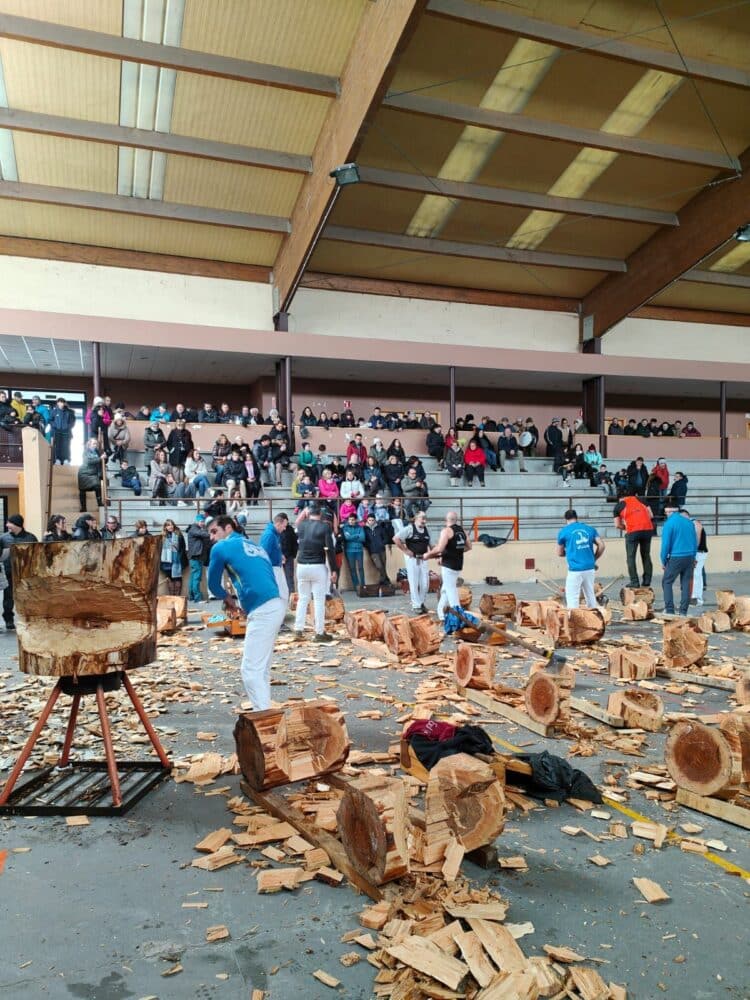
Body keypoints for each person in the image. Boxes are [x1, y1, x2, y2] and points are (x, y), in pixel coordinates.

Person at [207, 516, 284, 708]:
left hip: (262, 607)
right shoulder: (254, 545)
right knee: (261, 669)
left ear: (228, 528)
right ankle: (266, 714)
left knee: (250, 670)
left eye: (214, 531)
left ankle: (263, 718)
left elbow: (212, 585)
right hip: (276, 602)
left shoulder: (221, 548)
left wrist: (227, 599)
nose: (211, 537)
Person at [294, 503, 338, 641]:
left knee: (303, 599)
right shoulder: (324, 527)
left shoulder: (301, 526)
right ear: (320, 514)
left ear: (308, 513)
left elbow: (297, 523)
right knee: (319, 600)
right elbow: (330, 550)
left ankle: (298, 629)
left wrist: (303, 513)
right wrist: (334, 569)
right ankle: (319, 632)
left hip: (301, 565)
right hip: (317, 565)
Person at [425, 512, 471, 622]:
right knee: (446, 587)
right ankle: (440, 612)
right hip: (458, 564)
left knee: (451, 590)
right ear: (456, 520)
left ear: (446, 520)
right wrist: (456, 551)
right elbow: (469, 547)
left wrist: (428, 554)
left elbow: (440, 549)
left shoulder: (446, 531)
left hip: (448, 565)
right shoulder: (462, 531)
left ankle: (458, 616)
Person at [556, 509, 605, 610]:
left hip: (575, 569)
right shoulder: (589, 529)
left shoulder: (564, 532)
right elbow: (602, 545)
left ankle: (574, 620)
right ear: (576, 518)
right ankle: (595, 618)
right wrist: (593, 559)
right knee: (590, 594)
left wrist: (569, 552)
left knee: (572, 596)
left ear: (566, 519)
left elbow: (559, 552)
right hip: (589, 568)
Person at [0, 515, 38, 630]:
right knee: (8, 597)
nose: (7, 525)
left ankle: (28, 617)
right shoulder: (3, 538)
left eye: (9, 523)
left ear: (17, 524)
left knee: (27, 596)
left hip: (26, 572)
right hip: (9, 571)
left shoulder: (31, 538)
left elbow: (36, 555)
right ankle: (9, 619)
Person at [661, 499, 697, 616]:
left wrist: (663, 560)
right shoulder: (689, 522)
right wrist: (694, 556)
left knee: (667, 581)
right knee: (686, 582)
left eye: (666, 513)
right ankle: (683, 611)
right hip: (690, 556)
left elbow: (666, 545)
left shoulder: (669, 523)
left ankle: (670, 610)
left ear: (669, 512)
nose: (666, 515)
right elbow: (694, 541)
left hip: (676, 557)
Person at [613, 490, 654, 588]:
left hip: (632, 532)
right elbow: (651, 515)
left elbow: (617, 525)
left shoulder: (619, 506)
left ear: (620, 499)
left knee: (631, 557)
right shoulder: (642, 500)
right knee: (646, 555)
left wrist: (626, 527)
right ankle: (647, 580)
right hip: (647, 529)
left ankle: (634, 582)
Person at [394, 511, 431, 614]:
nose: (424, 520)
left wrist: (434, 554)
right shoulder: (410, 529)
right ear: (416, 518)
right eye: (422, 518)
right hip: (412, 559)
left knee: (425, 583)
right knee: (414, 582)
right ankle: (416, 605)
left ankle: (422, 603)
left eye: (425, 518)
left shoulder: (427, 530)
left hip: (423, 558)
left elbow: (431, 545)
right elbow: (396, 538)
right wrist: (405, 550)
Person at [260, 514, 290, 603]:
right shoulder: (269, 535)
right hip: (272, 568)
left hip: (276, 566)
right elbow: (263, 554)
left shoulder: (274, 534)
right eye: (284, 526)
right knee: (282, 593)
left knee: (283, 592)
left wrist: (280, 555)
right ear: (278, 524)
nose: (285, 529)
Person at [684, 509, 708, 606]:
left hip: (698, 552)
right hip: (695, 552)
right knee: (695, 574)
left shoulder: (695, 523)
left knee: (696, 575)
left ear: (686, 516)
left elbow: (697, 542)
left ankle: (696, 598)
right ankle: (694, 597)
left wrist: (693, 555)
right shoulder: (689, 524)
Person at [187, 513, 210, 603]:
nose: (202, 523)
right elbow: (203, 534)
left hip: (196, 556)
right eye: (201, 521)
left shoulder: (196, 529)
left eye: (203, 521)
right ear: (196, 521)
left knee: (193, 577)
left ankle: (192, 596)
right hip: (196, 557)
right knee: (196, 577)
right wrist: (211, 532)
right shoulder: (194, 529)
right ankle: (197, 598)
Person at [159, 520, 187, 596]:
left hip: (177, 561)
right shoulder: (162, 537)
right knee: (170, 579)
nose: (170, 526)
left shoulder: (179, 535)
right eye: (168, 525)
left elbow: (183, 548)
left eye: (171, 525)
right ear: (165, 527)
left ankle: (177, 598)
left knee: (177, 579)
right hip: (166, 562)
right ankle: (172, 597)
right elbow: (159, 549)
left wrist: (179, 558)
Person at [341, 512, 366, 591]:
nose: (351, 521)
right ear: (348, 520)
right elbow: (346, 538)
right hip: (349, 550)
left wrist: (352, 537)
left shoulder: (360, 528)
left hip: (359, 550)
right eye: (350, 520)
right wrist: (357, 536)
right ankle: (356, 586)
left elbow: (362, 538)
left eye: (353, 520)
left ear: (356, 520)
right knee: (352, 569)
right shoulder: (345, 528)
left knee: (361, 568)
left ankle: (363, 585)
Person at [364, 513, 390, 584]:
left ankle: (383, 580)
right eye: (370, 520)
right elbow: (364, 540)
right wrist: (369, 545)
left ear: (375, 520)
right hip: (373, 551)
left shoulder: (380, 528)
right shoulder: (365, 529)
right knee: (379, 566)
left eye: (373, 520)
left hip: (382, 550)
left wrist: (382, 543)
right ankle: (386, 579)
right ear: (367, 520)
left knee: (383, 565)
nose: (371, 521)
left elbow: (386, 538)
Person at [78, 438, 103, 511]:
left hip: (93, 473)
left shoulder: (97, 452)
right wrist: (100, 458)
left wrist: (104, 457)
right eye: (94, 443)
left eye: (96, 443)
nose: (95, 445)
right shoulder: (86, 452)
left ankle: (100, 504)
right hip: (84, 473)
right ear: (89, 444)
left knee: (97, 486)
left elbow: (102, 460)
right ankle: (83, 508)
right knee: (82, 490)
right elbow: (88, 461)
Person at [50, 397, 76, 465]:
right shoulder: (54, 411)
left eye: (63, 402)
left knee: (66, 446)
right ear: (57, 403)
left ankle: (66, 459)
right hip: (57, 431)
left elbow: (73, 421)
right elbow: (50, 420)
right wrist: (54, 426)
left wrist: (68, 426)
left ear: (64, 403)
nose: (61, 404)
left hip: (66, 431)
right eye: (60, 402)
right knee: (58, 446)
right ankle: (58, 459)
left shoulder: (69, 412)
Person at [277, 513, 298, 595]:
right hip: (279, 557)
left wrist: (293, 554)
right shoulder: (276, 530)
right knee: (279, 578)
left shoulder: (290, 529)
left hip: (289, 557)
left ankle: (291, 596)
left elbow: (295, 543)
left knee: (289, 578)